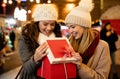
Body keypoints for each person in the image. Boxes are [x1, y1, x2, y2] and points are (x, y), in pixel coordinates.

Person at [64, 0, 111, 79]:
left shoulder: (102, 46)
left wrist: (80, 66)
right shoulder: (68, 44)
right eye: (68, 28)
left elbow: (102, 77)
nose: (70, 31)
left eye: (72, 27)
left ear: (84, 26)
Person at [18, 4, 62, 79]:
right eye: (45, 24)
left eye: (52, 24)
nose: (49, 28)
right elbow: (27, 68)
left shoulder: (58, 37)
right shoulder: (26, 38)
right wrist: (35, 58)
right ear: (37, 23)